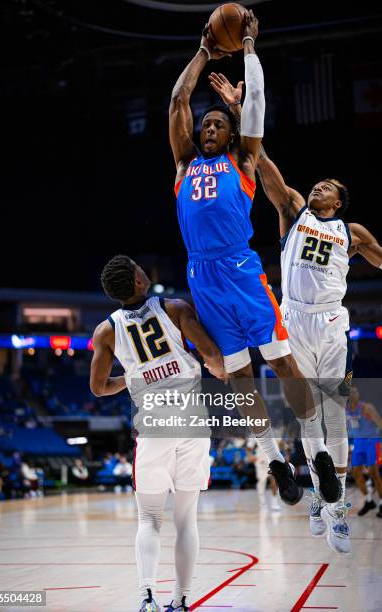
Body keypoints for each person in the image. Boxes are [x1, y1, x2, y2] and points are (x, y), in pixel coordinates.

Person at [169, 11, 341, 509]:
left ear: (231, 135)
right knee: (238, 375)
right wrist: (203, 50)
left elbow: (257, 106)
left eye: (219, 123)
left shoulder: (242, 161)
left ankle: (318, 456)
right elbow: (179, 99)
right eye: (206, 123)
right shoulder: (183, 165)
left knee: (283, 362)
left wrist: (246, 44)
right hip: (202, 274)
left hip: (241, 269)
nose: (209, 126)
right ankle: (274, 463)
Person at [208, 70, 382, 553]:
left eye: (329, 186)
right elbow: (261, 162)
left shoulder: (354, 232)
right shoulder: (293, 209)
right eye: (319, 182)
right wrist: (241, 110)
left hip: (333, 323)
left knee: (336, 416)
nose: (319, 185)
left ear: (340, 201)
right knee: (308, 417)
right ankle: (319, 496)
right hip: (294, 319)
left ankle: (337, 505)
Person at [90, 254, 225, 612]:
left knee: (149, 519)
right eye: (138, 268)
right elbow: (211, 354)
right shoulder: (176, 308)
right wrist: (220, 367)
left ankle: (147, 598)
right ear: (137, 282)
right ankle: (180, 602)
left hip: (153, 425)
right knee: (186, 520)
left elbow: (98, 388)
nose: (142, 270)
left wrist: (133, 378)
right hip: (193, 422)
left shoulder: (106, 330)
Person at [347, 387, 382, 518]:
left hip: (372, 442)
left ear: (358, 394)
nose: (353, 394)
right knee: (356, 474)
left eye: (355, 391)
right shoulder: (345, 410)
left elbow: (380, 424)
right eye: (350, 392)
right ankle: (369, 501)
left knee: (374, 474)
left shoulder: (367, 408)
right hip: (358, 444)